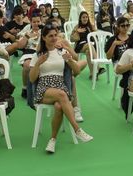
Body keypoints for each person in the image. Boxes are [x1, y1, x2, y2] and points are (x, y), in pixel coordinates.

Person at [29, 24, 93, 153]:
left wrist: (69, 60)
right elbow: (31, 79)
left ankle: (52, 140)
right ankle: (77, 130)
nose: (53, 38)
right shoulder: (38, 55)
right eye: (50, 36)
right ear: (44, 38)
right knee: (63, 95)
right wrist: (38, 63)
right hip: (44, 87)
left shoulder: (62, 52)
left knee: (59, 106)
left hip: (60, 84)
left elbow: (76, 72)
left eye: (55, 35)